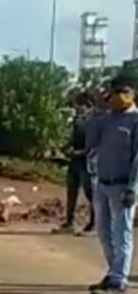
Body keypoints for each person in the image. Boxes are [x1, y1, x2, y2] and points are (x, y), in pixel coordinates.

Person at [84, 69, 138, 294]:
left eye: (122, 92)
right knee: (104, 232)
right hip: (102, 184)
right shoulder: (106, 119)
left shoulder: (135, 120)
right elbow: (91, 140)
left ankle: (119, 281)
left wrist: (133, 188)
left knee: (121, 233)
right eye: (114, 92)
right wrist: (99, 110)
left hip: (123, 185)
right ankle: (113, 271)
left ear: (132, 94)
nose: (117, 96)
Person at [54, 92, 97, 235]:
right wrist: (65, 148)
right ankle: (69, 223)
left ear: (89, 106)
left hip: (88, 163)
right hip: (75, 161)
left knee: (91, 194)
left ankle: (93, 224)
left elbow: (95, 146)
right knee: (71, 191)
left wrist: (80, 152)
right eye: (77, 105)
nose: (79, 108)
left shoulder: (95, 122)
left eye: (82, 105)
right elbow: (72, 140)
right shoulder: (76, 122)